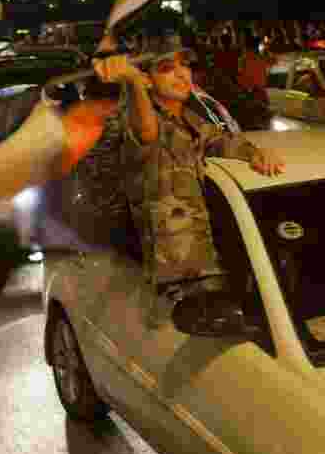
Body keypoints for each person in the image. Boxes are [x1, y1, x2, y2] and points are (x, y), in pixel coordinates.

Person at [93, 33, 285, 291]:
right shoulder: (133, 121)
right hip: (175, 277)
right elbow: (147, 134)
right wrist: (132, 82)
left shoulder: (190, 120)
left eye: (184, 65)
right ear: (147, 79)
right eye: (167, 69)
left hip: (207, 264)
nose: (183, 75)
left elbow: (222, 141)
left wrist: (255, 154)